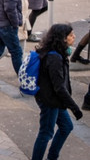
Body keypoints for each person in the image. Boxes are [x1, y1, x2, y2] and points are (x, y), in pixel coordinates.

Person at [30, 24, 83, 160]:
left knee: (66, 126)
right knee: (46, 133)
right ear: (63, 38)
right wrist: (74, 108)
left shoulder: (57, 52)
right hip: (50, 101)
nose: (74, 37)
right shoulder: (54, 58)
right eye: (71, 35)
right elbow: (59, 87)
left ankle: (52, 157)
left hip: (55, 100)